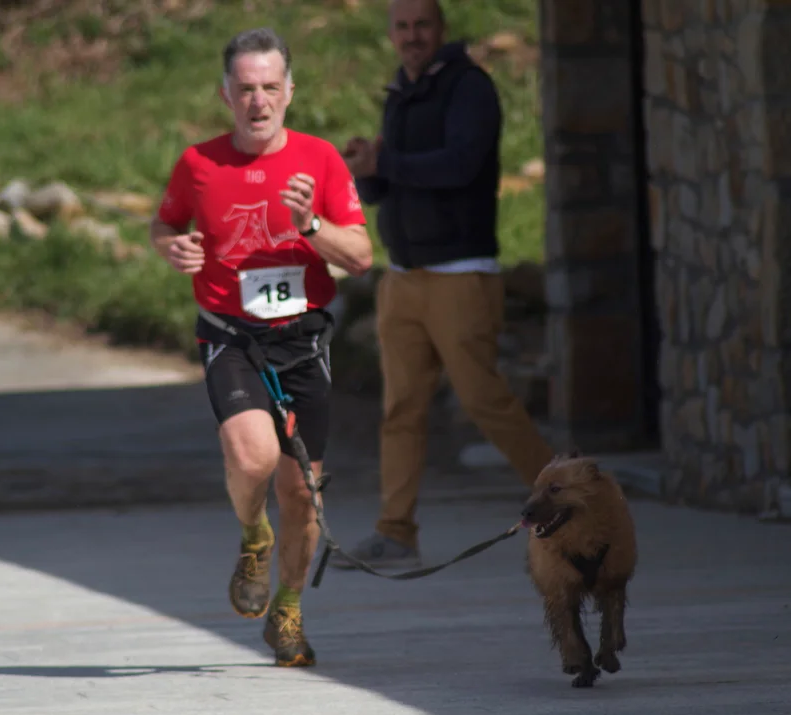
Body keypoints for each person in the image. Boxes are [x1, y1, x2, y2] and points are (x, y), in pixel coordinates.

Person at [150, 27, 373, 667]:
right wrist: (172, 247)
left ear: (289, 91)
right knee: (253, 458)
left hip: (301, 341)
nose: (258, 101)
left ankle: (289, 610)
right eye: (246, 89)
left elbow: (360, 256)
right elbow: (165, 223)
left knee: (303, 491)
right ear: (226, 94)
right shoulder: (198, 164)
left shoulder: (320, 160)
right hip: (230, 336)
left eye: (270, 87)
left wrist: (311, 225)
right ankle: (254, 536)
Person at [332, 0, 555, 570]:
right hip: (403, 278)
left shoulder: (469, 88)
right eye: (402, 27)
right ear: (391, 33)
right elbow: (391, 183)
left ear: (441, 30)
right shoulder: (401, 94)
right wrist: (368, 168)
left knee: (484, 400)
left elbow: (460, 166)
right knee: (400, 410)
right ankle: (395, 532)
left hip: (461, 274)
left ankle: (572, 504)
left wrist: (387, 162)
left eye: (422, 25)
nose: (412, 36)